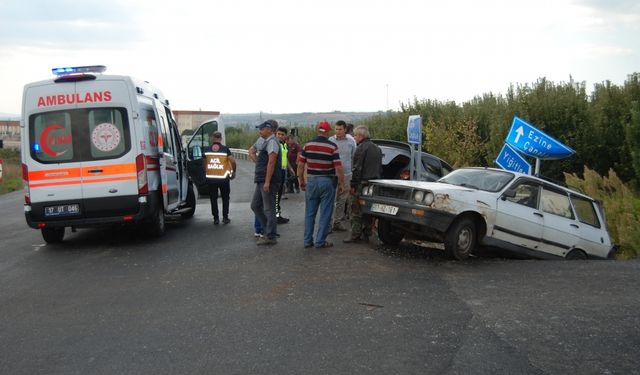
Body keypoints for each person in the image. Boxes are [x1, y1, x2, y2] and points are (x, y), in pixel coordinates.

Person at [297, 121, 345, 248]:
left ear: (317, 130)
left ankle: (307, 241)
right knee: (325, 213)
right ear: (328, 132)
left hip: (311, 181)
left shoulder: (307, 145)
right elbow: (338, 167)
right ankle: (320, 241)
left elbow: (301, 165)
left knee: (309, 213)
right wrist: (341, 183)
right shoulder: (332, 147)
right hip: (327, 182)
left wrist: (301, 180)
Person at [344, 126, 382, 243]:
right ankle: (367, 232)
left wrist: (353, 185)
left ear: (361, 136)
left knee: (355, 209)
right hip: (374, 183)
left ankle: (355, 234)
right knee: (369, 209)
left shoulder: (360, 148)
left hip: (362, 183)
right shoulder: (377, 148)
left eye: (355, 135)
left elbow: (357, 168)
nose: (354, 137)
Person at [249, 119, 281, 246]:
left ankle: (271, 235)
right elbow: (251, 150)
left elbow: (272, 163)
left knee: (269, 209)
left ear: (270, 130)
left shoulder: (272, 142)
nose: (260, 131)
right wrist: (258, 163)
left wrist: (267, 181)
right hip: (262, 179)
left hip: (269, 180)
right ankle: (268, 230)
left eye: (262, 129)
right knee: (255, 205)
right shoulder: (264, 141)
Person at [329, 120, 357, 232]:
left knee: (342, 199)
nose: (338, 131)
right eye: (336, 129)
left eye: (340, 129)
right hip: (332, 174)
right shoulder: (330, 140)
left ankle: (337, 222)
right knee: (330, 199)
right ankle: (327, 224)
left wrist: (352, 172)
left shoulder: (351, 141)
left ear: (345, 129)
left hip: (346, 174)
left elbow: (353, 157)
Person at [203, 131, 236, 225]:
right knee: (225, 198)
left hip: (211, 178)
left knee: (213, 199)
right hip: (223, 178)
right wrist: (233, 172)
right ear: (221, 138)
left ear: (212, 138)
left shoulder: (207, 149)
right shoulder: (225, 149)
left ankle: (216, 219)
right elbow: (233, 162)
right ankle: (225, 218)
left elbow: (204, 162)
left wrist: (206, 171)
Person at [275, 127, 292, 224]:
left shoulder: (284, 145)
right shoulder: (275, 145)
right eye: (279, 134)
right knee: (276, 195)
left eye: (282, 134)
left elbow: (285, 158)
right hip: (277, 172)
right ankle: (276, 216)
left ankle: (277, 215)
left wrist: (291, 169)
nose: (280, 136)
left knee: (279, 194)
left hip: (283, 171)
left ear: (285, 136)